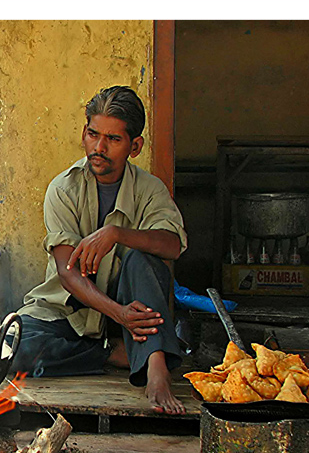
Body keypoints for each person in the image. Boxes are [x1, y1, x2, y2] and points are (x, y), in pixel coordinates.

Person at [12, 85, 188, 414]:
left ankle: (155, 368)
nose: (99, 147)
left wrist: (117, 234)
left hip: (130, 312)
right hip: (74, 313)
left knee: (142, 260)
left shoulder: (149, 189)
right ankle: (115, 354)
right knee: (15, 346)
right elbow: (67, 273)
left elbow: (173, 245)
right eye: (93, 134)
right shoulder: (63, 189)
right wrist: (116, 313)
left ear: (135, 146)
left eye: (113, 139)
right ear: (84, 132)